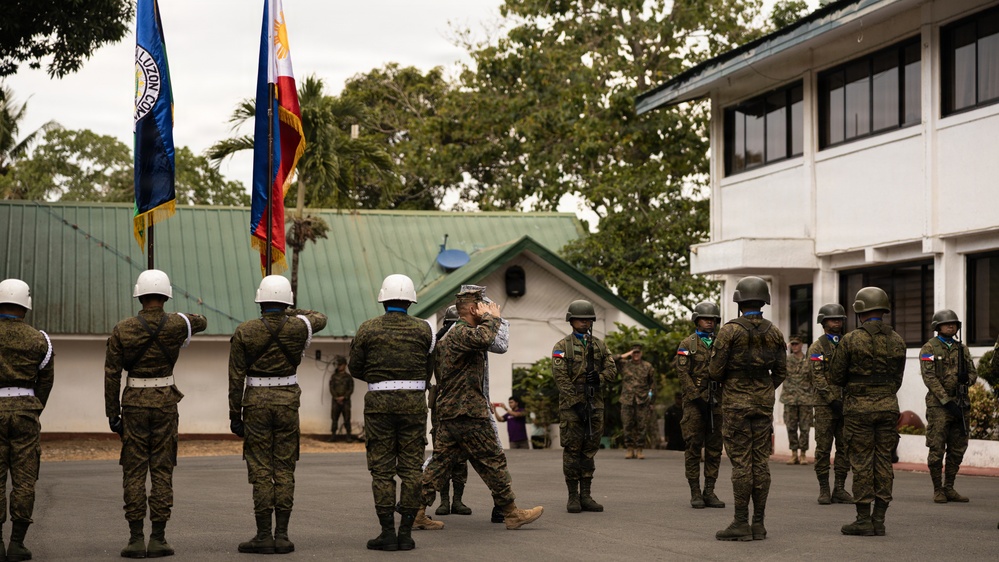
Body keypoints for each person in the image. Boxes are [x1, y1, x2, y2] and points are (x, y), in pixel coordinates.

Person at [420, 287, 543, 531]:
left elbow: (491, 342)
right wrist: (492, 317)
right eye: (481, 305)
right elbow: (486, 338)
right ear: (473, 309)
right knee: (493, 460)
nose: (487, 308)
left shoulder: (453, 335)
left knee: (439, 463)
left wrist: (489, 317)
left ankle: (415, 510)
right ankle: (511, 513)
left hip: (451, 411)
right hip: (467, 412)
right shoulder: (462, 332)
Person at [104, 269, 207, 558]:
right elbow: (201, 321)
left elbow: (112, 373)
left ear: (139, 296)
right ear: (166, 296)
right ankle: (158, 538)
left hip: (134, 403)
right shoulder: (176, 324)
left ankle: (136, 539)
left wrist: (112, 413)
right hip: (165, 402)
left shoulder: (123, 328)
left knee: (134, 471)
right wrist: (178, 316)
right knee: (162, 469)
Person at [228, 275, 326, 554]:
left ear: (260, 301)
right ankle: (282, 535)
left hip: (256, 403)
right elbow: (320, 317)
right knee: (284, 468)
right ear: (287, 302)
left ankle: (263, 536)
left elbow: (235, 377)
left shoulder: (245, 330)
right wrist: (291, 312)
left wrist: (235, 414)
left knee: (261, 469)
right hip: (287, 402)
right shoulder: (299, 327)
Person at [348, 274, 435, 551]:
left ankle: (387, 533)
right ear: (410, 301)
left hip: (379, 405)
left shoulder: (367, 328)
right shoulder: (425, 330)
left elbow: (355, 367)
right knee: (411, 469)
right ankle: (406, 534)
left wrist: (379, 379)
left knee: (382, 471)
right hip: (413, 404)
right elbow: (429, 368)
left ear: (383, 299)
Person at [708, 277, 786, 541]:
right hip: (763, 403)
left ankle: (741, 522)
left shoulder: (729, 331)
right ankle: (759, 524)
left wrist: (735, 386)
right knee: (760, 462)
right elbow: (781, 371)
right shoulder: (775, 332)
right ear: (764, 301)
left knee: (742, 462)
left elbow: (715, 371)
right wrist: (763, 389)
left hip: (736, 404)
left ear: (739, 301)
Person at [829, 287, 905, 537]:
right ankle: (879, 519)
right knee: (883, 460)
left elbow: (836, 376)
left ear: (860, 310)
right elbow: (898, 379)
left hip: (858, 410)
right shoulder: (897, 339)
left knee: (862, 462)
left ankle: (863, 519)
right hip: (888, 407)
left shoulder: (851, 339)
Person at [0, 279, 54, 562]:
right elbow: (46, 381)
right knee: (24, 479)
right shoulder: (39, 340)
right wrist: (33, 408)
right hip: (25, 411)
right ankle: (17, 544)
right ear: (26, 305)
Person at [552, 299, 617, 514]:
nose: (584, 322)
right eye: (580, 319)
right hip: (572, 407)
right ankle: (573, 496)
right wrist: (576, 403)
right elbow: (560, 378)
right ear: (571, 321)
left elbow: (612, 369)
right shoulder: (562, 347)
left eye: (588, 319)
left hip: (594, 404)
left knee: (589, 451)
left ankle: (586, 495)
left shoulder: (599, 345)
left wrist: (599, 378)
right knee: (572, 450)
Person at [920, 309, 976, 504]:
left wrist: (967, 380)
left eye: (954, 324)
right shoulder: (929, 348)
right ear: (938, 327)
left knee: (957, 448)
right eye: (946, 323)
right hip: (939, 406)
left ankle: (949, 487)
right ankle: (938, 489)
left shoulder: (963, 349)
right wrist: (946, 401)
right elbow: (929, 377)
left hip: (961, 404)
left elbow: (973, 373)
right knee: (936, 448)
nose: (951, 326)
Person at [675, 301, 725, 509]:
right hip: (694, 403)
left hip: (717, 401)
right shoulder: (688, 344)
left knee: (714, 449)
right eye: (705, 319)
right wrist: (696, 398)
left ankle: (709, 491)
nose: (709, 322)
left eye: (712, 319)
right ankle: (695, 492)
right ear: (697, 320)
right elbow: (682, 373)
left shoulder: (722, 343)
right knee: (694, 447)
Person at [808, 304, 854, 505]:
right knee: (823, 448)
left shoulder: (849, 344)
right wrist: (831, 399)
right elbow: (817, 376)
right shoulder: (817, 347)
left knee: (845, 447)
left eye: (839, 319)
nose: (837, 321)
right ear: (823, 321)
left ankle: (840, 488)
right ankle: (824, 489)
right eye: (832, 319)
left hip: (847, 403)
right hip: (825, 405)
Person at [429, 305, 472, 518]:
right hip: (443, 403)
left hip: (463, 404)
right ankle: (444, 501)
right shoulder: (437, 346)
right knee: (442, 454)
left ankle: (458, 500)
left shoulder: (468, 345)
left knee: (461, 455)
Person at [614, 343, 656, 459]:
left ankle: (640, 449)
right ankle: (629, 448)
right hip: (627, 400)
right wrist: (625, 355)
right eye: (634, 352)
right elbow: (612, 359)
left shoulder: (647, 366)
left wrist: (651, 401)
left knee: (642, 426)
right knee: (627, 425)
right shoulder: (624, 365)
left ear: (641, 353)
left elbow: (652, 384)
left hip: (642, 400)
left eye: (638, 352)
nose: (636, 354)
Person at [781, 335, 815, 465]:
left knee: (805, 428)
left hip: (805, 399)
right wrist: (785, 347)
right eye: (793, 344)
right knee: (791, 426)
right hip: (790, 398)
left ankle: (803, 454)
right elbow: (775, 360)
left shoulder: (809, 360)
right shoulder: (786, 360)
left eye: (796, 344)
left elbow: (822, 359)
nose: (794, 346)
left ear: (801, 345)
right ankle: (794, 453)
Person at [328, 355, 353, 441]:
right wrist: (336, 397)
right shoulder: (334, 377)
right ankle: (333, 436)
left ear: (345, 365)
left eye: (341, 364)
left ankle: (348, 436)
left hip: (346, 401)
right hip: (335, 401)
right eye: (338, 365)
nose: (339, 366)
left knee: (347, 419)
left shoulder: (348, 377)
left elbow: (351, 389)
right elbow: (331, 388)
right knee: (334, 419)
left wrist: (344, 397)